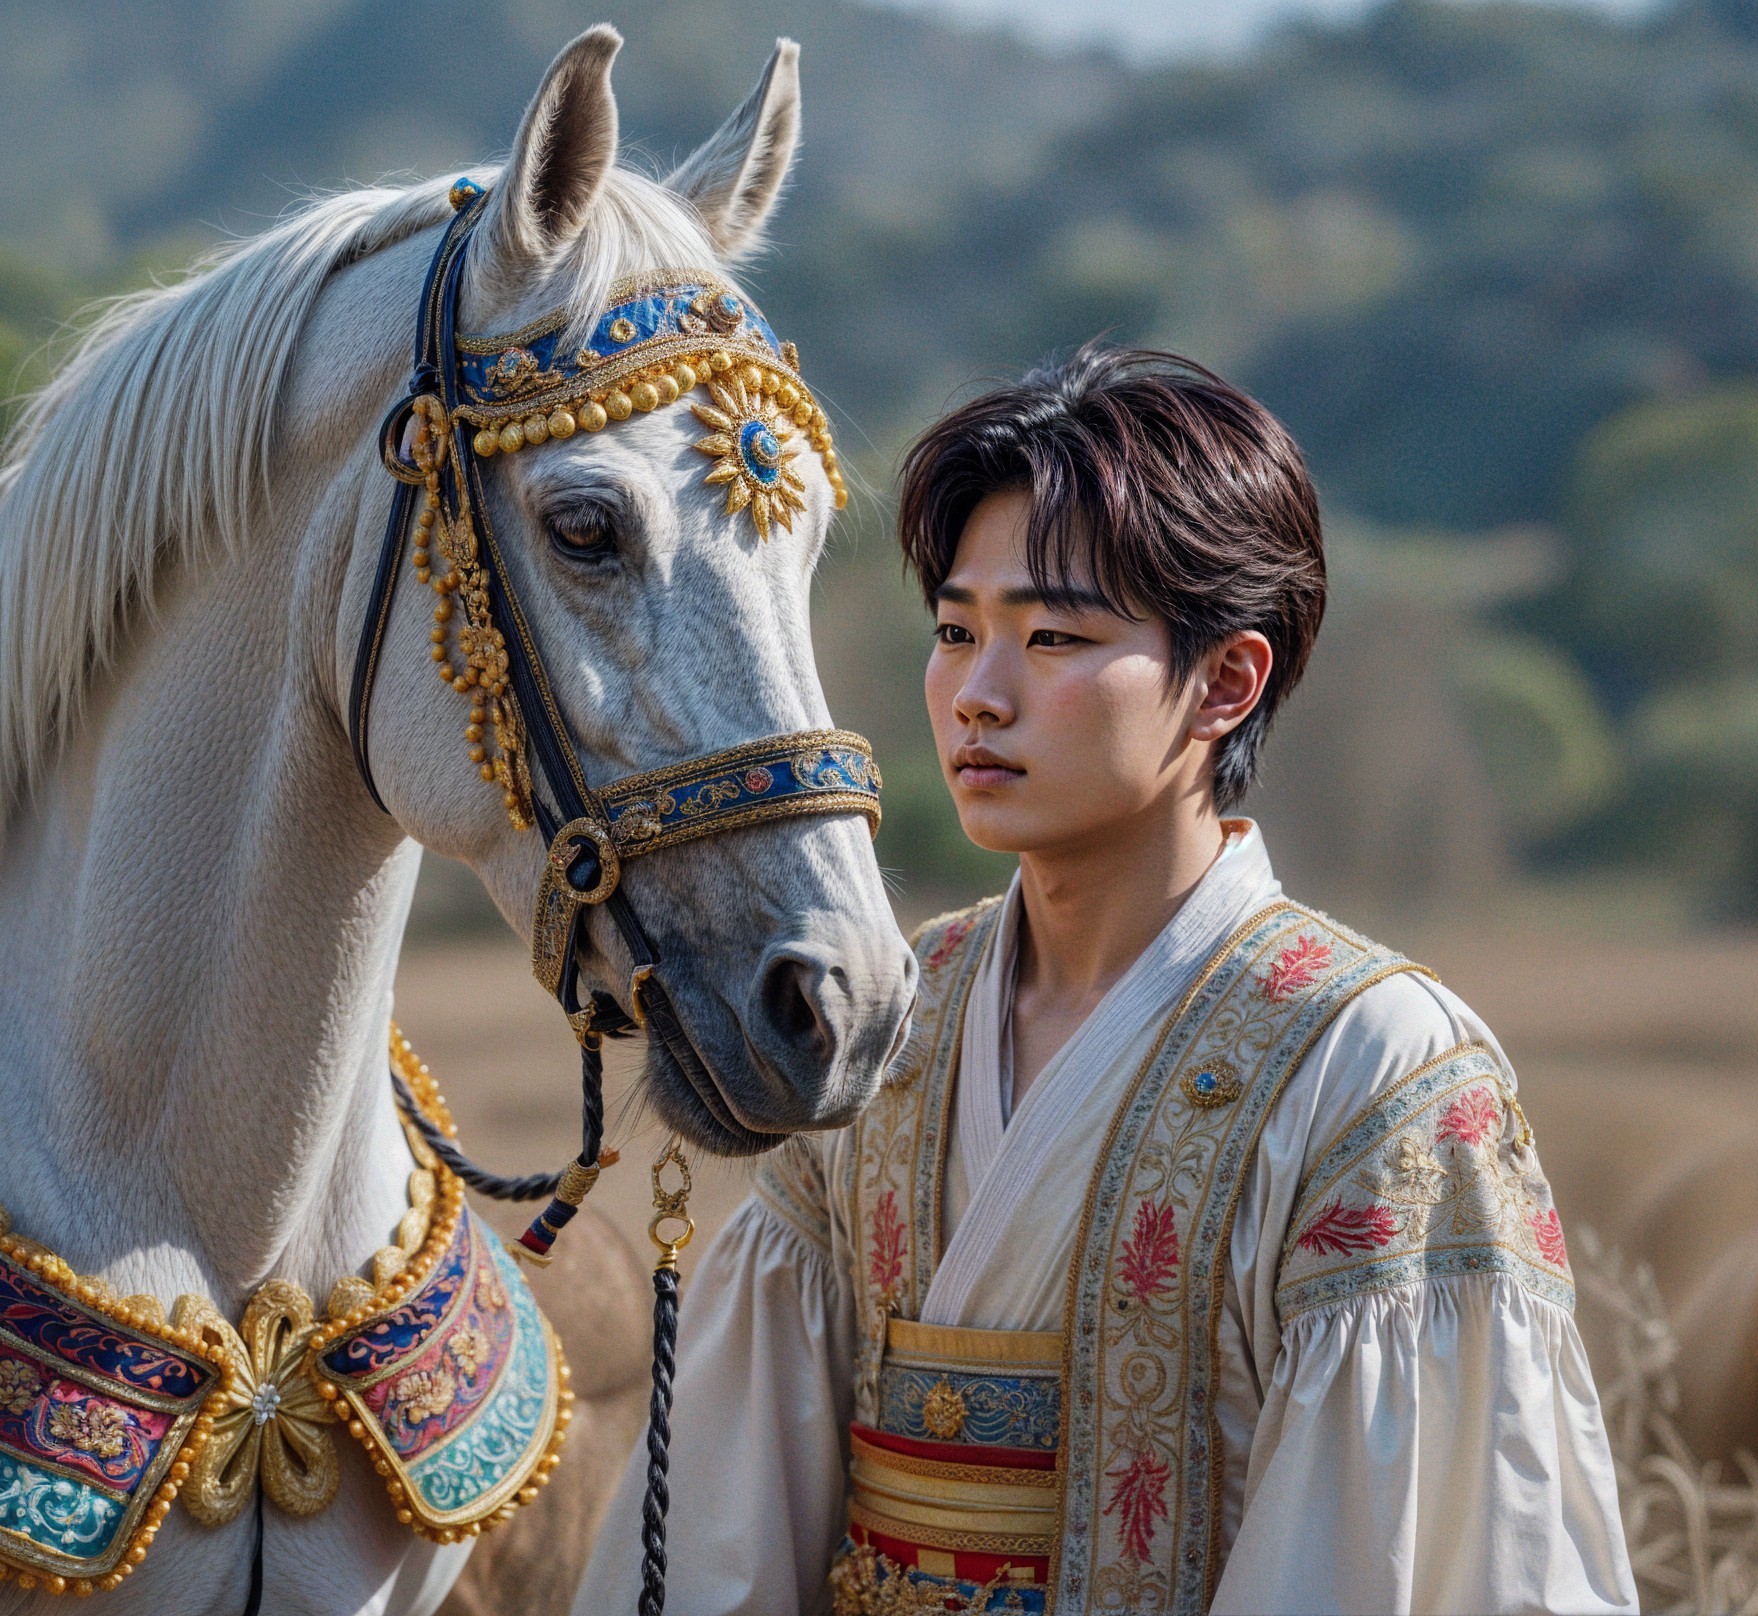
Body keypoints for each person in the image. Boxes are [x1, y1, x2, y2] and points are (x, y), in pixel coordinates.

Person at [571, 345, 1635, 1615]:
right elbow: (725, 1529)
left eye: (1054, 635)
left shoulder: (1374, 1067)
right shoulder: (886, 1020)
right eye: (956, 631)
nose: (978, 694)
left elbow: (1397, 1555)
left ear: (1227, 680)